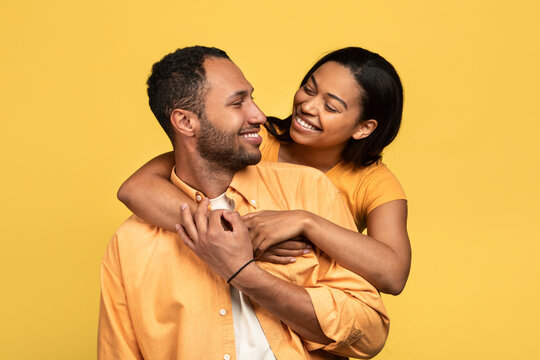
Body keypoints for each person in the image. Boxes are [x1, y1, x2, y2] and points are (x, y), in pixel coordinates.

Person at [98, 46, 389, 360]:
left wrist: (242, 271)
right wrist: (223, 234)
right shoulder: (130, 245)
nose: (260, 116)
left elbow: (370, 334)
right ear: (185, 122)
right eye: (238, 103)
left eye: (252, 98)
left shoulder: (309, 189)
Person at [117, 47, 411, 295]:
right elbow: (136, 188)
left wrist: (306, 222)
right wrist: (239, 236)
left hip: (312, 317)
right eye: (308, 89)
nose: (308, 106)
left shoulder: (375, 182)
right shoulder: (253, 141)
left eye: (331, 107)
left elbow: (393, 274)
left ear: (363, 128)